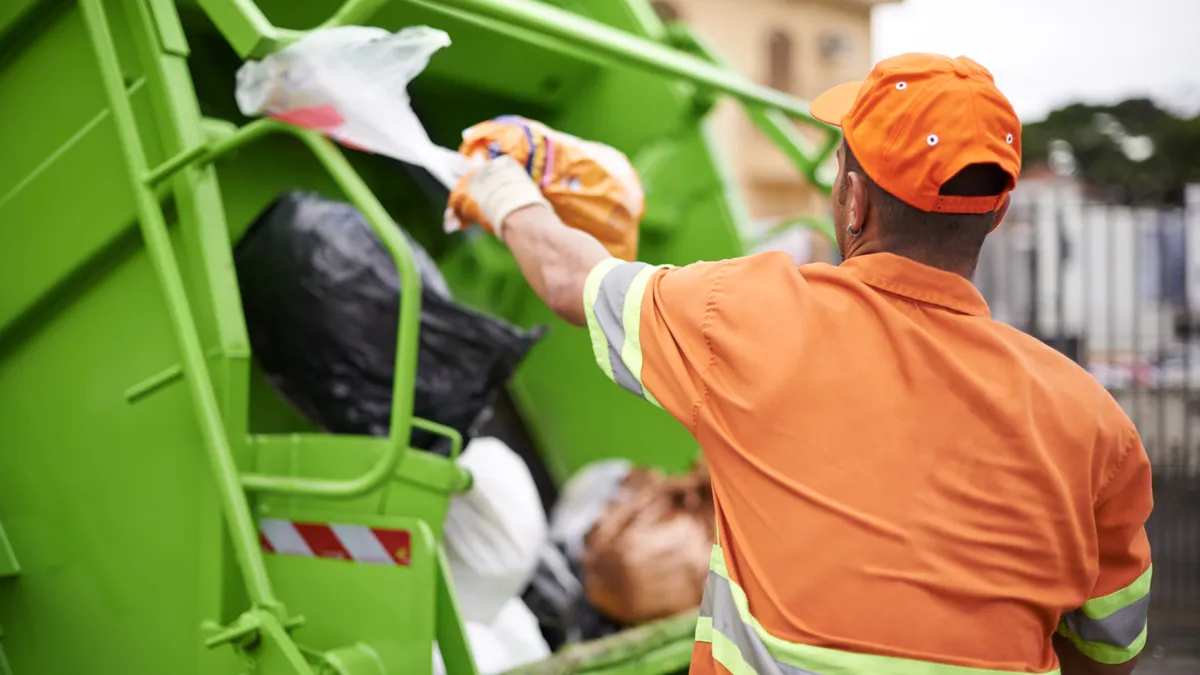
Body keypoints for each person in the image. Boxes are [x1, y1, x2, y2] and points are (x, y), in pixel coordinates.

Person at [449, 53, 1153, 675]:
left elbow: (573, 279)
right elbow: (1108, 648)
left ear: (851, 200)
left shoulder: (745, 315)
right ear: (995, 215)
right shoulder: (1095, 426)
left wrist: (503, 188)